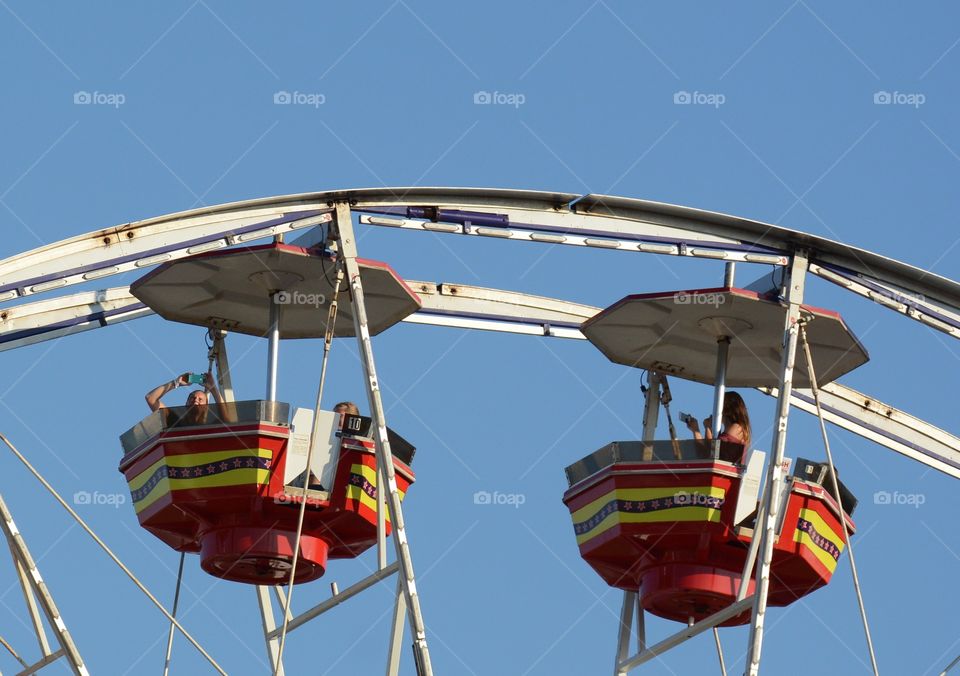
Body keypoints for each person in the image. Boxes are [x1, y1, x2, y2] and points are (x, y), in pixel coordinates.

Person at [684, 391, 752, 460]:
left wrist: (708, 428)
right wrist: (696, 430)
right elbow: (703, 453)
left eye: (718, 406)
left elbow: (712, 453)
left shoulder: (737, 428)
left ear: (725, 408)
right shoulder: (737, 428)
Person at [145, 372, 225, 426]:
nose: (196, 400)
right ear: (186, 403)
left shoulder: (212, 426)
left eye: (200, 399)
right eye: (192, 398)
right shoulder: (175, 422)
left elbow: (227, 418)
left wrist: (213, 389)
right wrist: (176, 383)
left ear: (207, 407)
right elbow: (151, 398)